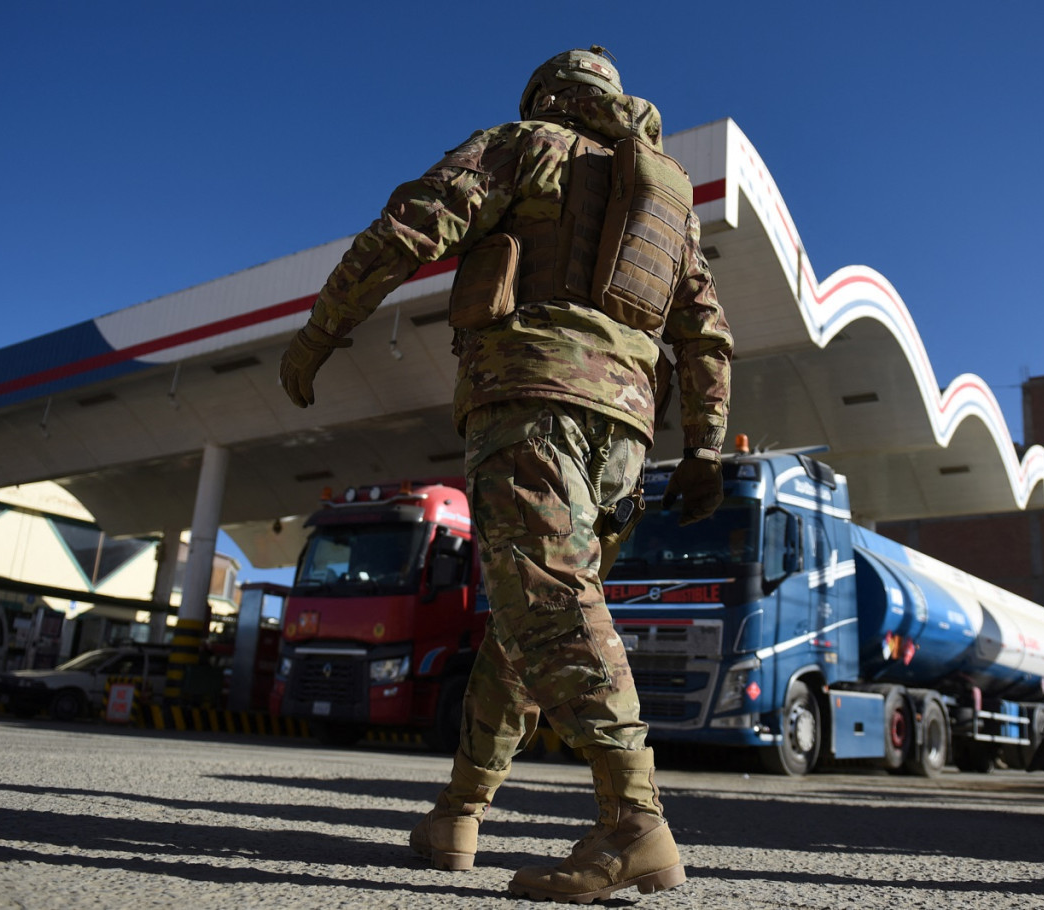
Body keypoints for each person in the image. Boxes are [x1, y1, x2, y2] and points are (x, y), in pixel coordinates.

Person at [279, 46, 732, 903]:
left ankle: (634, 822)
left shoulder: (527, 145)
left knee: (549, 604)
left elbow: (412, 224)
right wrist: (705, 445)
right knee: (527, 623)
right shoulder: (668, 197)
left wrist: (319, 334)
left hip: (532, 398)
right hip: (624, 438)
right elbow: (704, 332)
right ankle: (459, 811)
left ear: (548, 96)